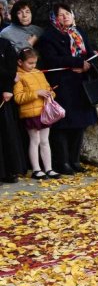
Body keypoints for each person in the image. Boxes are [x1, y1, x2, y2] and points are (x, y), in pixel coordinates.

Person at [36, 4, 98, 174]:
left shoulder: (79, 32)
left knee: (80, 124)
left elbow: (90, 53)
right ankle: (62, 162)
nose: (65, 17)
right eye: (60, 15)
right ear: (54, 18)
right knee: (62, 125)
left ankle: (75, 160)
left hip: (81, 85)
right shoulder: (49, 36)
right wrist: (77, 63)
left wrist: (88, 66)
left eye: (67, 13)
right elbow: (51, 59)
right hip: (62, 85)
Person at [14, 48, 60, 179]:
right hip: (30, 114)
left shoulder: (39, 72)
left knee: (45, 141)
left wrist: (51, 93)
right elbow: (18, 98)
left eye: (35, 63)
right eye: (30, 63)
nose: (33, 65)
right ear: (20, 62)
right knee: (35, 140)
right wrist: (36, 93)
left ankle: (49, 168)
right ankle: (36, 169)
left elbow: (48, 87)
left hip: (44, 112)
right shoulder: (19, 76)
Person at [0, 38, 24, 182]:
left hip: (3, 93)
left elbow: (11, 67)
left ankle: (9, 171)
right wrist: (10, 76)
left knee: (6, 131)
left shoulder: (4, 43)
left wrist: (7, 88)